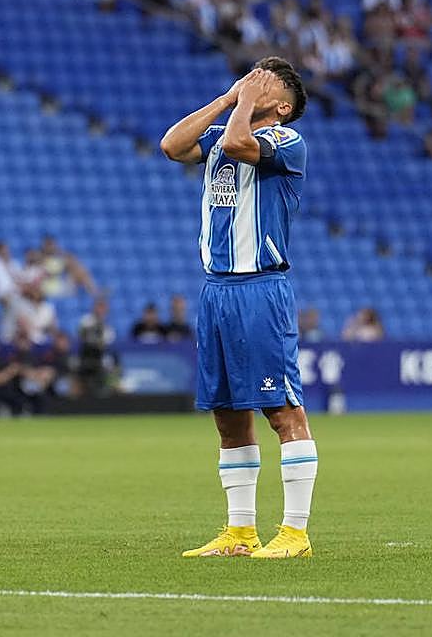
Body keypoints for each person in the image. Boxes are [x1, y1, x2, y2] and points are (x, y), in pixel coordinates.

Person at [160, 57, 316, 560]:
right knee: (228, 416)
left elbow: (236, 144)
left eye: (265, 81)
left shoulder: (285, 142)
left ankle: (295, 532)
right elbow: (172, 145)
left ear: (284, 105)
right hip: (217, 290)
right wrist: (229, 99)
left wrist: (244, 100)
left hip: (259, 290)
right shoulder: (231, 123)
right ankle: (240, 532)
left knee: (281, 409)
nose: (253, 81)